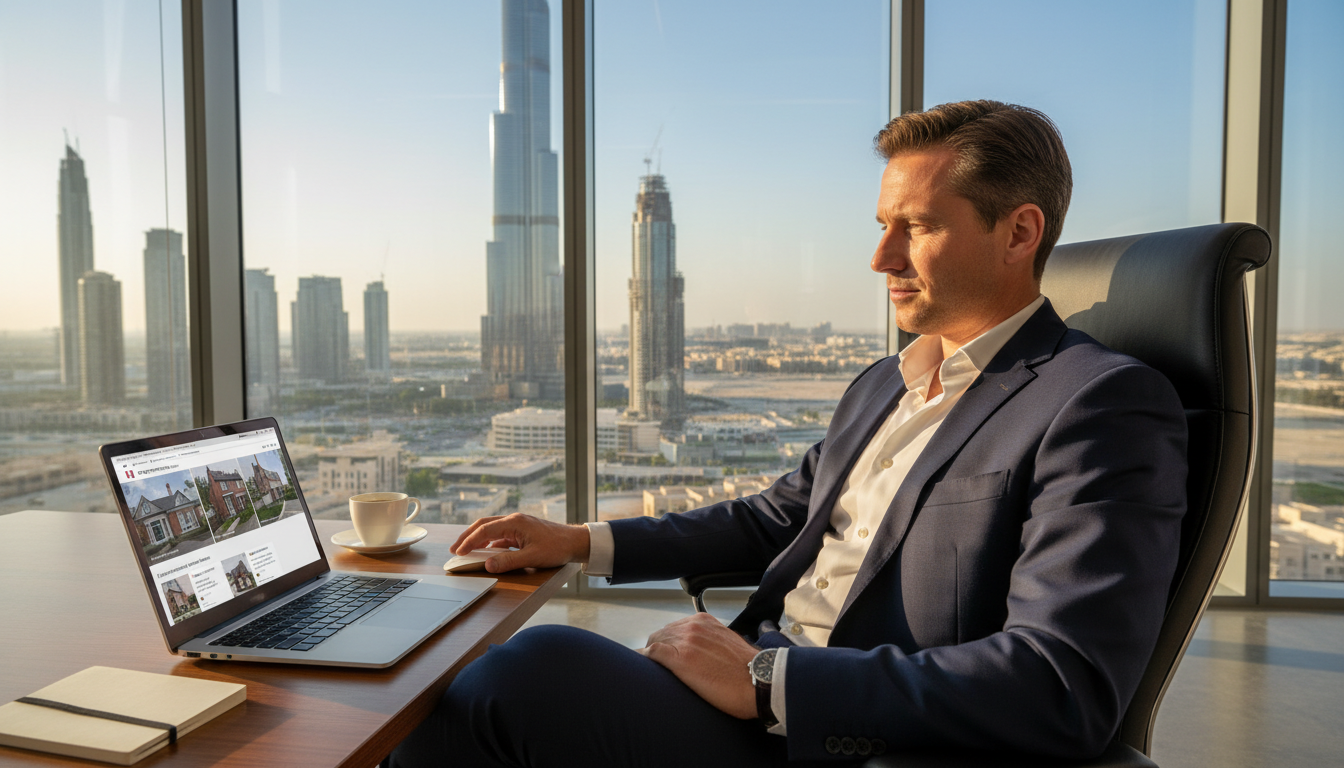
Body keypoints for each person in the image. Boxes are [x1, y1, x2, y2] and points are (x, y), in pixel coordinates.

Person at [385, 100, 1188, 767]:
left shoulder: (1102, 406)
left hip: (838, 735)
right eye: (882, 223)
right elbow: (775, 519)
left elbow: (1063, 683)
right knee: (458, 693)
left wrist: (771, 681)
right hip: (747, 686)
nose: (881, 257)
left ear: (1018, 234)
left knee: (522, 675)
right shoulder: (888, 381)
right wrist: (579, 541)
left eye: (916, 226)